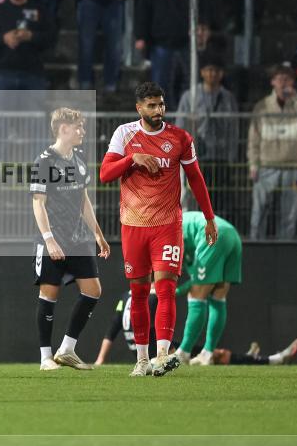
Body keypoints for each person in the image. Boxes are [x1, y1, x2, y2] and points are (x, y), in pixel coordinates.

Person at [99, 81, 217, 377]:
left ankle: (162, 355)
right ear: (139, 108)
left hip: (167, 224)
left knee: (165, 289)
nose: (158, 110)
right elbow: (105, 174)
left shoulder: (180, 138)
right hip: (133, 224)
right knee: (139, 293)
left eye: (161, 104)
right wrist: (132, 159)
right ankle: (141, 360)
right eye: (151, 105)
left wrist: (209, 217)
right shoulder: (124, 134)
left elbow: (195, 178)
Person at [31, 107, 110, 371]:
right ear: (63, 129)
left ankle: (66, 349)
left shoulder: (80, 157)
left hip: (78, 239)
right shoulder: (44, 161)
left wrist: (98, 234)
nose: (82, 131)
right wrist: (49, 239)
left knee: (93, 291)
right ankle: (45, 358)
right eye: (78, 126)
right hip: (53, 239)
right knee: (49, 295)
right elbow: (38, 203)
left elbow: (83, 199)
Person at [95, 294, 297, 367]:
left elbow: (112, 329)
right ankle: (272, 359)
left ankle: (252, 359)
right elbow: (151, 330)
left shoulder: (125, 297)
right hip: (158, 354)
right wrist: (169, 352)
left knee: (214, 354)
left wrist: (100, 360)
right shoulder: (152, 297)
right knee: (216, 355)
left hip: (146, 354)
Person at [247, 66, 297, 240]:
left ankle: (285, 248)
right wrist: (253, 164)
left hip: (293, 167)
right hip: (266, 166)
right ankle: (256, 247)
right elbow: (253, 139)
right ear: (272, 82)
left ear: (293, 83)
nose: (283, 83)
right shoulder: (262, 107)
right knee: (259, 212)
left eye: (287, 79)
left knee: (290, 214)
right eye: (280, 79)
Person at [173, 212, 242, 366]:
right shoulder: (176, 223)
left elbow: (195, 282)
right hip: (232, 234)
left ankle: (183, 353)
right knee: (218, 297)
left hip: (212, 234)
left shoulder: (167, 232)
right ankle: (207, 353)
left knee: (196, 296)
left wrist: (174, 292)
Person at [175, 63, 239, 216]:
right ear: (202, 72)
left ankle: (219, 228)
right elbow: (180, 125)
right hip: (197, 156)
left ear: (221, 73)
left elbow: (233, 128)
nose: (212, 74)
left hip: (221, 156)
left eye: (216, 70)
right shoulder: (190, 96)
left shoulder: (228, 98)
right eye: (209, 70)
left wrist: (232, 154)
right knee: (196, 198)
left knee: (220, 198)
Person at [134, 0, 189, 103]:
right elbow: (143, 10)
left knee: (187, 85)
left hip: (186, 41)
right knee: (160, 87)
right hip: (161, 42)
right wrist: (141, 36)